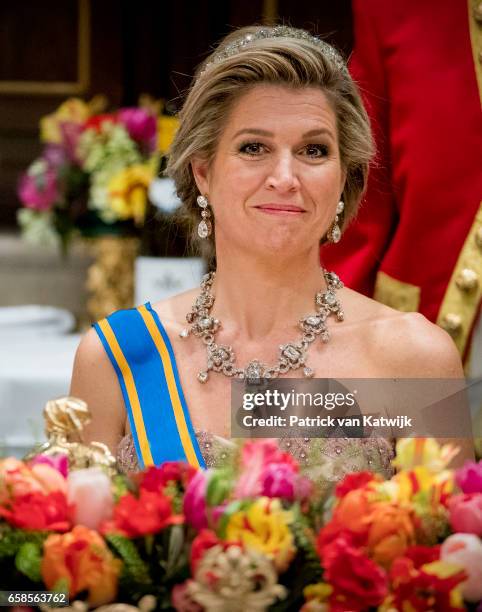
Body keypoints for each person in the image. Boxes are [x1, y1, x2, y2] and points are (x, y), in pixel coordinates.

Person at [70, 25, 473, 489]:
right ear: (203, 171)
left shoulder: (414, 359)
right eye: (253, 148)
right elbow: (85, 556)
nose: (285, 177)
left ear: (343, 178)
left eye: (314, 150)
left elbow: (448, 555)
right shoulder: (118, 357)